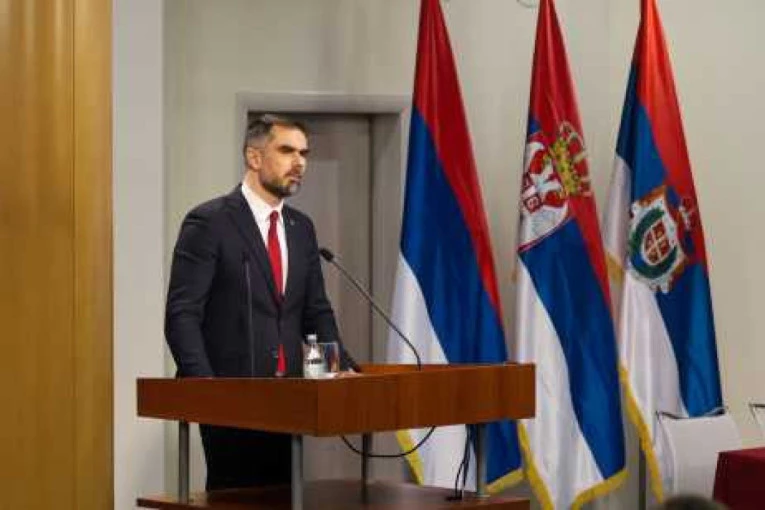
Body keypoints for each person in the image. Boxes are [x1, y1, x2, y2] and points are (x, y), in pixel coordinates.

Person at [165, 114, 356, 490]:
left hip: (292, 399)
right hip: (231, 401)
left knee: (285, 497)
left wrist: (338, 372)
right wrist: (206, 390)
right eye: (287, 151)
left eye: (304, 153)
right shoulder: (210, 222)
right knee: (238, 499)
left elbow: (315, 312)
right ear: (254, 157)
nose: (299, 162)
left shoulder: (301, 228)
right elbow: (182, 315)